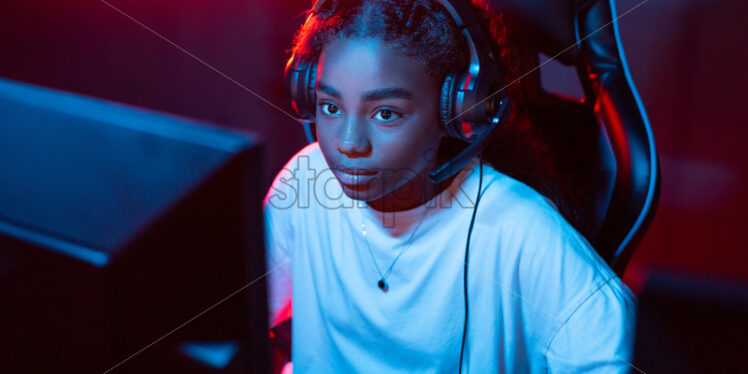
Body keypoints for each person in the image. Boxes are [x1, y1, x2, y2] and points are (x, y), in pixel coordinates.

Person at [264, 0, 638, 372]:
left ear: (458, 114)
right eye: (330, 106)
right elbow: (233, 322)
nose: (347, 142)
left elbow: (604, 350)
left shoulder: (517, 230)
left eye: (386, 114)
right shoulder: (302, 182)